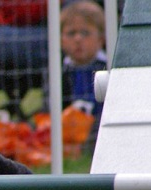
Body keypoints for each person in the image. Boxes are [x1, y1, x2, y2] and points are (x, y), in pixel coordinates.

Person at [44, 0, 106, 152]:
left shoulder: (108, 68)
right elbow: (49, 108)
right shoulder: (58, 71)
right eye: (71, 33)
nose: (78, 39)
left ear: (101, 39)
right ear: (60, 39)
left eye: (85, 33)